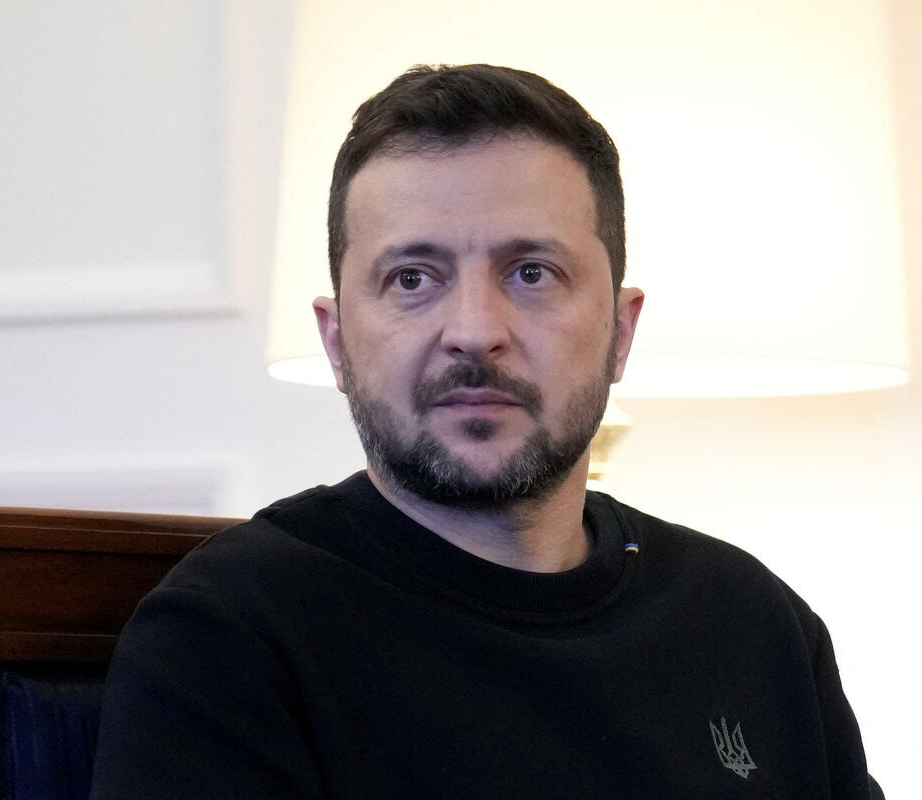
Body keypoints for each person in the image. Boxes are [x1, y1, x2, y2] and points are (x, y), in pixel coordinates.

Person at [90, 64, 880, 798]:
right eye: (412, 278)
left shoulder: (752, 622)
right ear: (336, 342)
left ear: (620, 331)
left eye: (532, 272)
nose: (474, 332)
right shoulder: (228, 637)